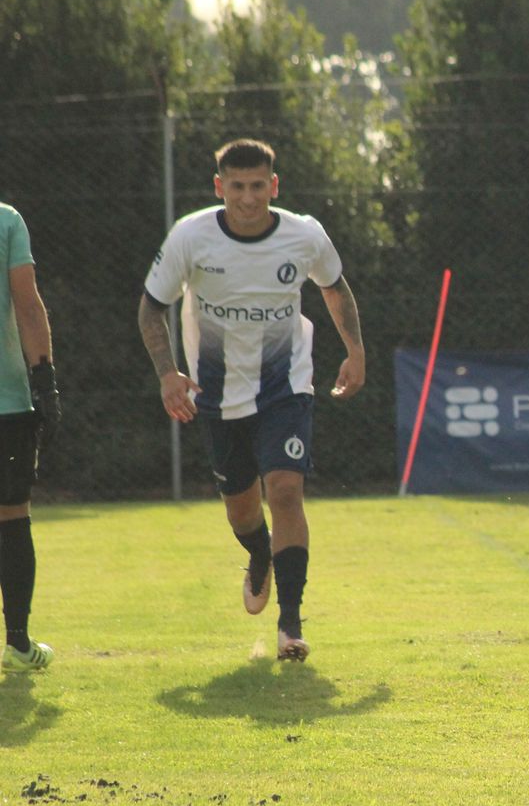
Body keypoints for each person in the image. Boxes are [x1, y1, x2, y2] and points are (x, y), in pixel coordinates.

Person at [137, 139, 364, 661]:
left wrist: (355, 350)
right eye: (236, 187)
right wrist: (168, 372)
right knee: (242, 510)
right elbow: (151, 309)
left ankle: (291, 625)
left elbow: (335, 288)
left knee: (285, 491)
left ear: (273, 186)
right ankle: (258, 553)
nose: (247, 197)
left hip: (285, 388)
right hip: (216, 397)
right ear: (220, 188)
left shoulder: (303, 234)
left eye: (257, 186)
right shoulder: (190, 237)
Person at [0, 203, 61, 674]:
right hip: (6, 400)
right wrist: (45, 380)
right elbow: (27, 302)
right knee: (11, 512)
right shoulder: (6, 220)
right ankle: (18, 643)